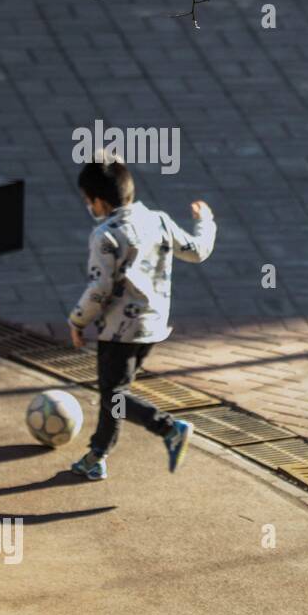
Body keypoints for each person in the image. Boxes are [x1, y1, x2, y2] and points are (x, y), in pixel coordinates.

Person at [67, 152, 217, 481]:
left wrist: (77, 320)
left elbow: (100, 287)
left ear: (100, 202)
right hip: (153, 326)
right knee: (115, 392)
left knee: (113, 395)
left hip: (119, 331)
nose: (89, 207)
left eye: (88, 201)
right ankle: (96, 455)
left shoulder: (104, 235)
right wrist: (206, 221)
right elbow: (197, 250)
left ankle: (168, 428)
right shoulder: (159, 220)